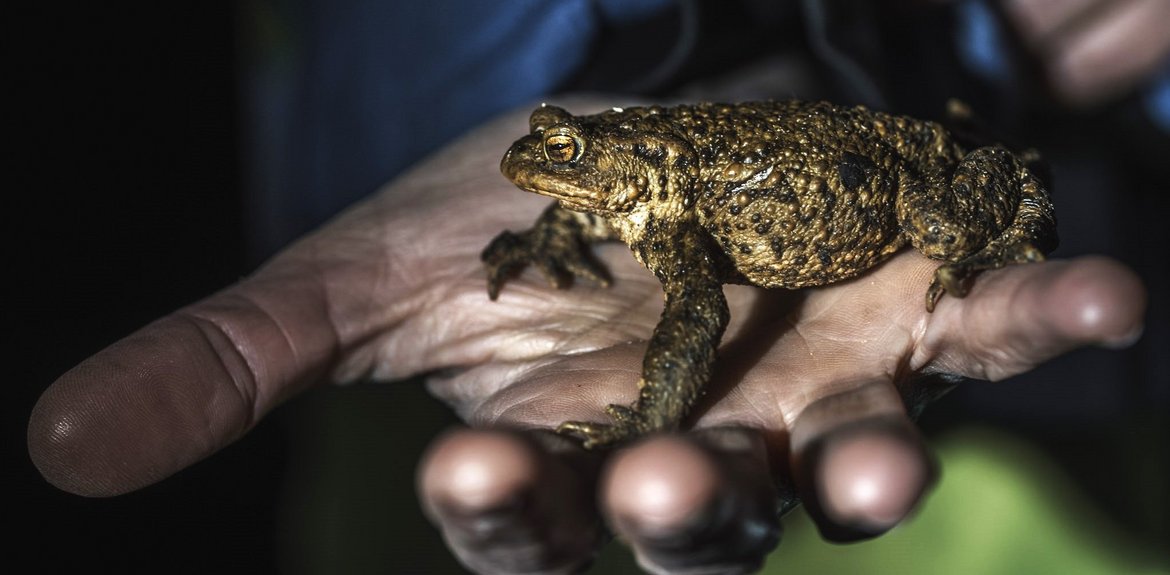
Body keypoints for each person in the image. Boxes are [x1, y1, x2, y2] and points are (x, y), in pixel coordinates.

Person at [28, 0, 1166, 573]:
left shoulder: (663, 202)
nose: (552, 174)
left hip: (894, 188)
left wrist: (653, 410)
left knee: (964, 212)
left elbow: (695, 310)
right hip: (766, 98)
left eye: (568, 160)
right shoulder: (631, 180)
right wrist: (557, 203)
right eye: (557, 155)